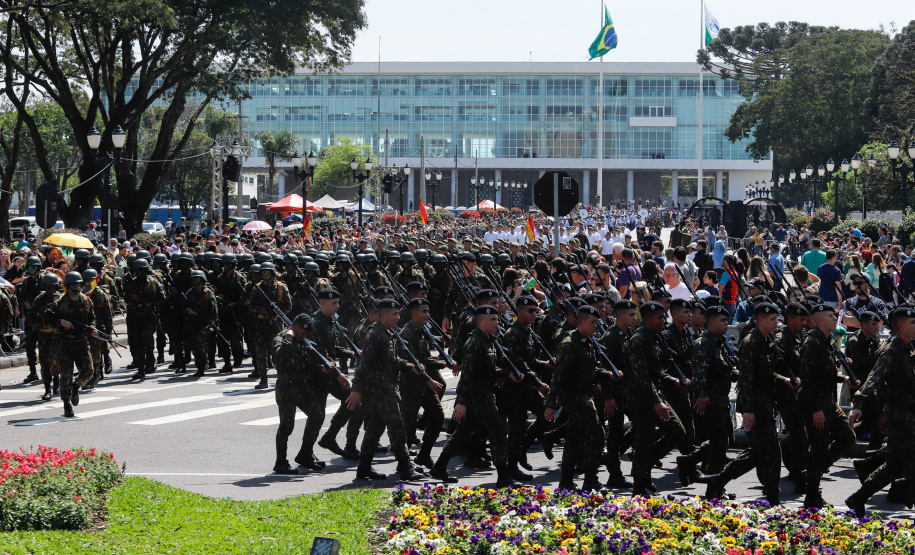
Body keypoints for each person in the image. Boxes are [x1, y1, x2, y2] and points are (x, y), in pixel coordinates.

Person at [705, 302, 793, 506]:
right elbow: (746, 379)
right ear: (760, 320)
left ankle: (720, 479)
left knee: (762, 450)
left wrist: (783, 380)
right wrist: (748, 411)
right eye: (772, 319)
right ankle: (772, 495)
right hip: (755, 404)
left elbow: (768, 372)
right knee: (768, 449)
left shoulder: (766, 340)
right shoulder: (751, 342)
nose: (776, 323)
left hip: (766, 402)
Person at [431, 304, 514, 487]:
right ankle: (503, 476)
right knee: (498, 431)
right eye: (492, 319)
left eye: (497, 319)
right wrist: (461, 402)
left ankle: (439, 466)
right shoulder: (474, 343)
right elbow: (467, 375)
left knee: (462, 433)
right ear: (481, 321)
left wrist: (506, 374)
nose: (496, 322)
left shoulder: (489, 340)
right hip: (477, 396)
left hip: (484, 393)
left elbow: (489, 369)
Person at [345, 298, 426, 481]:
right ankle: (405, 467)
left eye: (398, 313)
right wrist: (356, 390)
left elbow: (393, 360)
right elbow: (363, 364)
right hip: (380, 390)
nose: (398, 317)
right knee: (397, 426)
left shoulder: (388, 334)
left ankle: (364, 467)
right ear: (383, 315)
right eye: (395, 314)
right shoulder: (374, 335)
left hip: (386, 388)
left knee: (375, 428)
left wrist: (409, 366)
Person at [846, 307, 915, 516]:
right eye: (913, 322)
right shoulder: (892, 350)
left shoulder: (908, 347)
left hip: (909, 413)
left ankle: (857, 497)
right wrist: (858, 405)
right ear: (901, 325)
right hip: (899, 416)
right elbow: (874, 378)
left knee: (894, 465)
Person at [545, 305, 612, 491]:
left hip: (584, 394)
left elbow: (589, 368)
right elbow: (558, 376)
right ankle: (590, 480)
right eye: (592, 322)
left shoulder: (586, 340)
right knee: (597, 434)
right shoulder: (568, 343)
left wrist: (606, 374)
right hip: (574, 397)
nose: (595, 326)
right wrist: (550, 405)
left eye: (597, 323)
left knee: (574, 438)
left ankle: (566, 481)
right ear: (581, 321)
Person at [798, 303, 857, 509]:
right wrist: (816, 409)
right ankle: (812, 495)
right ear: (820, 320)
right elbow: (809, 379)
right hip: (816, 404)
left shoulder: (826, 341)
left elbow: (826, 374)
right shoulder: (812, 343)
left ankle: (814, 471)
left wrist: (843, 379)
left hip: (829, 401)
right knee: (819, 448)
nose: (835, 318)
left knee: (847, 437)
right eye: (831, 316)